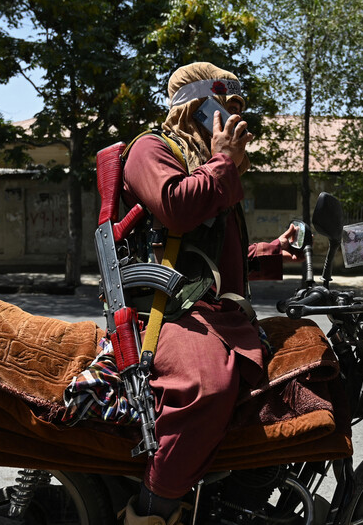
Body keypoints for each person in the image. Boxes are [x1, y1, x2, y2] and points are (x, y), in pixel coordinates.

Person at [119, 62, 300, 525]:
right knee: (209, 388)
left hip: (216, 314)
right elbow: (176, 209)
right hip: (167, 315)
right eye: (222, 109)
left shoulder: (213, 173)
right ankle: (154, 509)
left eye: (238, 111)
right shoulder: (151, 148)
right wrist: (222, 162)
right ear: (193, 110)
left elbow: (216, 259)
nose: (234, 122)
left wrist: (276, 252)